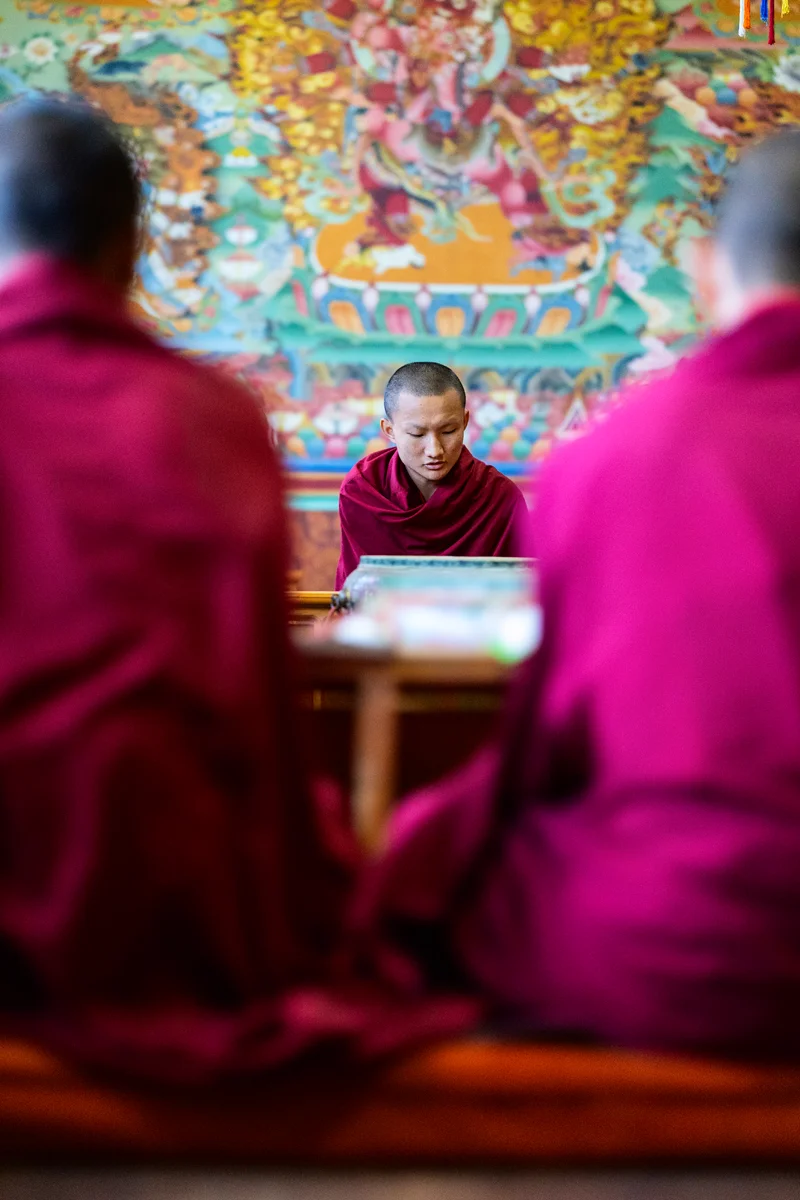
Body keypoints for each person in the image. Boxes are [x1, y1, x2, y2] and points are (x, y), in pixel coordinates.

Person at [0, 97, 473, 1080]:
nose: (433, 448)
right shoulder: (210, 418)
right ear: (134, 250)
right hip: (168, 885)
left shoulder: (495, 493)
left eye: (447, 428)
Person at [358, 131, 800, 1061]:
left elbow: (544, 742)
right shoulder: (385, 486)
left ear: (705, 271)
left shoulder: (615, 459)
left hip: (695, 941)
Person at [335, 362, 528, 589]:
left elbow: (519, 593)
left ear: (465, 422)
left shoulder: (498, 497)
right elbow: (358, 596)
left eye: (449, 431)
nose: (435, 450)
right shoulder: (363, 491)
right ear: (389, 430)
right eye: (417, 434)